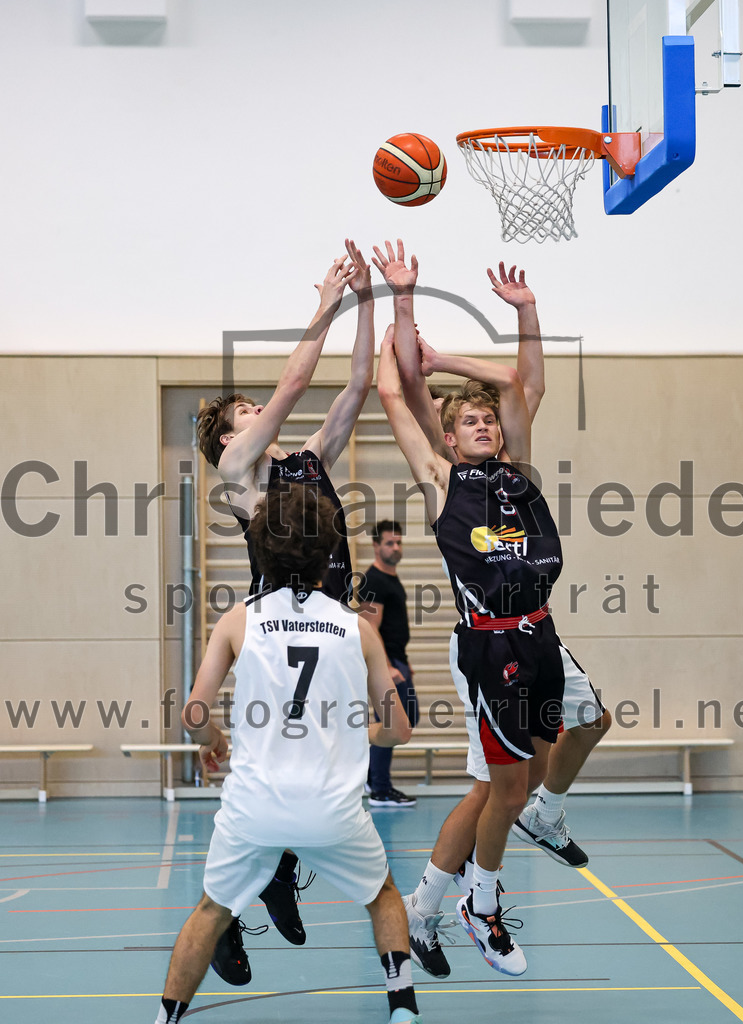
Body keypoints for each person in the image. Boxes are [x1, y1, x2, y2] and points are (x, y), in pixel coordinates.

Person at [372, 242, 609, 922]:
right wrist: (401, 300)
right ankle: (456, 904)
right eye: (467, 421)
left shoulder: (517, 471)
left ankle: (541, 818)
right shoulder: (443, 480)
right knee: (496, 791)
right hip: (486, 642)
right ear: (448, 440)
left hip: (538, 632)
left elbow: (520, 384)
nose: (483, 424)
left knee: (583, 727)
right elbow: (395, 389)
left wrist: (526, 311)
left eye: (488, 420)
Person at [152, 486, 421, 1024]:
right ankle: (403, 1008)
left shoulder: (238, 620)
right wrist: (357, 732)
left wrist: (214, 742)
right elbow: (398, 730)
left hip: (255, 810)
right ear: (329, 554)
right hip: (332, 812)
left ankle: (166, 1019)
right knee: (385, 896)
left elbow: (194, 714)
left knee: (210, 910)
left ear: (260, 550)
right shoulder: (358, 629)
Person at [195, 240, 375, 976]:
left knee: (320, 762)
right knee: (272, 773)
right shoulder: (238, 468)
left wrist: (366, 304)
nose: (261, 410)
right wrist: (326, 304)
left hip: (330, 623)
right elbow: (297, 381)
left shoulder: (308, 461)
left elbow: (357, 384)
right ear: (229, 437)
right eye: (248, 410)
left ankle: (274, 875)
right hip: (276, 627)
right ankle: (229, 913)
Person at [358, 520, 420, 807]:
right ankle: (380, 788)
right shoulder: (374, 581)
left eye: (398, 542)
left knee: (407, 717)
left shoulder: (389, 579)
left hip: (397, 659)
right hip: (388, 663)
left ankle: (373, 778)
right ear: (375, 545)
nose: (396, 547)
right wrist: (386, 667)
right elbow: (370, 627)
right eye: (389, 543)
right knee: (392, 722)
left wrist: (403, 663)